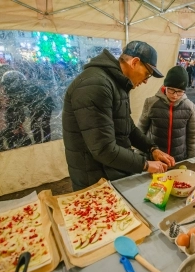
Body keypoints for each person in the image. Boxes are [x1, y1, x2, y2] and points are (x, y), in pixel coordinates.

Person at [62, 41, 175, 190]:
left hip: (112, 171)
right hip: (95, 179)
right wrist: (145, 164)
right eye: (147, 74)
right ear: (134, 62)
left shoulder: (117, 83)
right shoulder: (96, 84)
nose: (146, 81)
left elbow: (127, 126)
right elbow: (104, 149)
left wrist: (152, 149)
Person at [138, 66, 195, 162]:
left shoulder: (190, 107)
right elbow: (141, 131)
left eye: (179, 92)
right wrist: (140, 157)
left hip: (178, 159)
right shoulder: (151, 103)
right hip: (154, 159)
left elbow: (192, 137)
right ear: (165, 86)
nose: (175, 95)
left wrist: (192, 160)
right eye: (171, 90)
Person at [0, 71, 33, 149]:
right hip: (14, 125)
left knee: (15, 142)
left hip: (14, 125)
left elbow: (15, 114)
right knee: (20, 141)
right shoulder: (13, 99)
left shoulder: (10, 99)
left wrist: (17, 126)